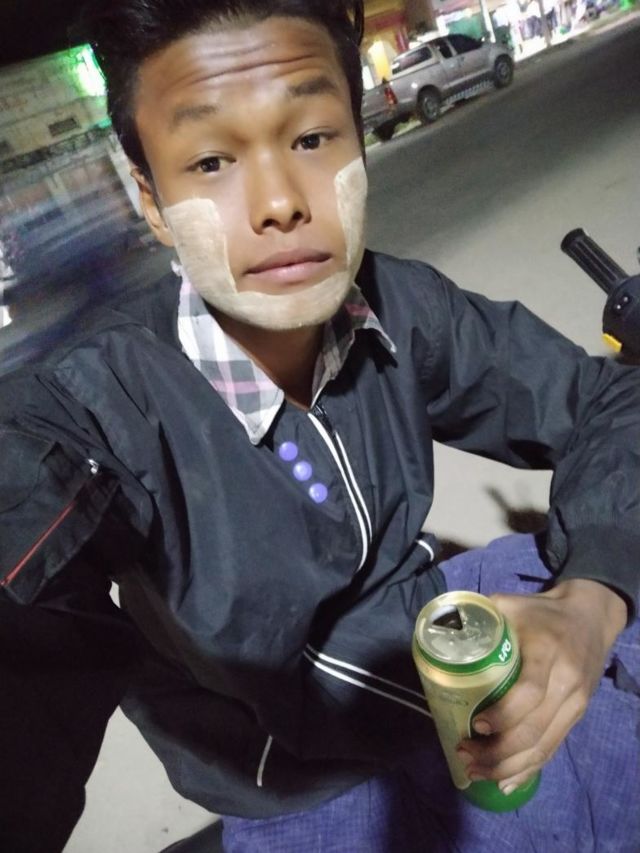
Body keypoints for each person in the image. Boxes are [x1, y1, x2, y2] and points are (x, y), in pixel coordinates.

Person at [1, 1, 638, 851]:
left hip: (438, 639)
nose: (279, 202)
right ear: (151, 199)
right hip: (301, 790)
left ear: (359, 143)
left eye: (311, 138)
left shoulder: (398, 305)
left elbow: (608, 402)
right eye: (212, 160)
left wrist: (590, 600)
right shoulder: (93, 411)